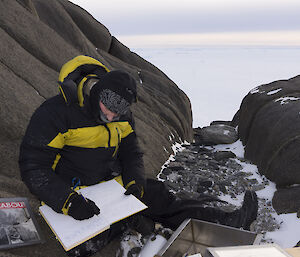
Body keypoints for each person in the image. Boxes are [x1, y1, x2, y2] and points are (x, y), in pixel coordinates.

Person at [19, 56, 258, 256]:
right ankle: (128, 225)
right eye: (109, 106)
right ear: (98, 92)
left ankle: (228, 222)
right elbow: (33, 166)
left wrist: (134, 180)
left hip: (111, 188)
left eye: (120, 110)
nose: (112, 115)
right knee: (84, 240)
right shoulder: (57, 113)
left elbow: (131, 152)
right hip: (75, 191)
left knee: (162, 197)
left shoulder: (121, 116)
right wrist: (67, 201)